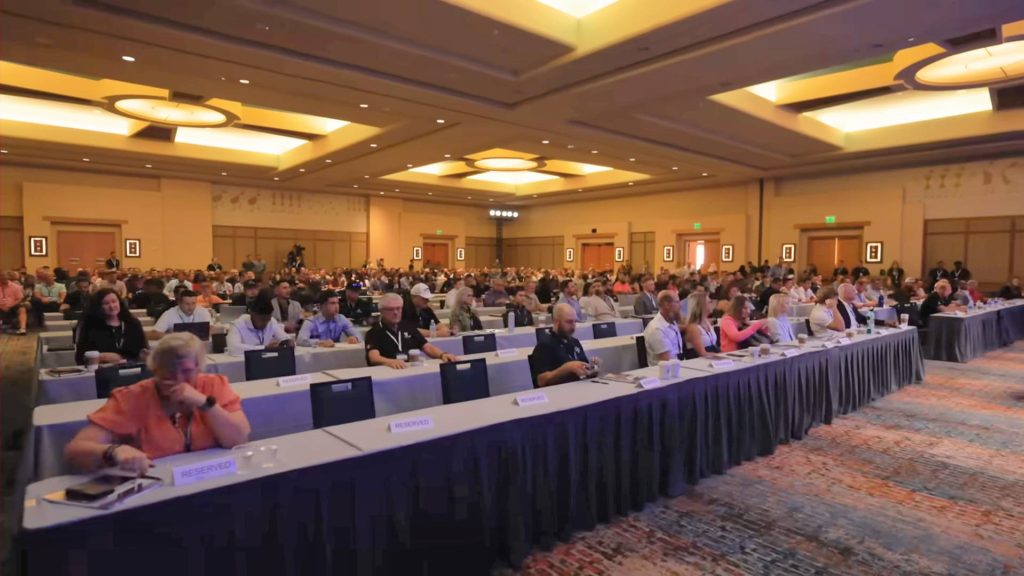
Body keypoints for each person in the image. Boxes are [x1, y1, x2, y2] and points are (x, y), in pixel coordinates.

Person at [65, 333, 250, 473]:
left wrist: (204, 403)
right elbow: (74, 452)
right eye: (169, 370)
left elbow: (238, 439)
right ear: (154, 368)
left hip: (212, 480)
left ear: (199, 367)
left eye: (186, 371)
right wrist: (113, 451)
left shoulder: (214, 385)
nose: (178, 379)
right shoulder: (132, 398)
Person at [364, 293, 456, 369]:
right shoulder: (374, 332)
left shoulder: (409, 327)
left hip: (408, 369)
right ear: (381, 311)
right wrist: (390, 362)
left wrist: (442, 354)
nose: (395, 312)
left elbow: (427, 347)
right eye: (390, 309)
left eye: (398, 308)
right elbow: (374, 357)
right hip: (387, 371)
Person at [74, 288, 148, 365]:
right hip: (101, 371)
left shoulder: (132, 324)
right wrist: (101, 357)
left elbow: (142, 350)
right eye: (106, 303)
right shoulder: (90, 326)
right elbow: (80, 358)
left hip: (131, 369)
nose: (112, 306)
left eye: (114, 301)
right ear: (98, 306)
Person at [531, 303, 598, 387]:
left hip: (578, 387)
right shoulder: (544, 346)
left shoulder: (575, 342)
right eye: (569, 322)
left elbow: (584, 368)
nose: (573, 326)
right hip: (558, 392)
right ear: (556, 322)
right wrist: (566, 368)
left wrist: (592, 368)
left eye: (574, 321)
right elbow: (541, 380)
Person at [225, 290, 292, 352]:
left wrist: (287, 341)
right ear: (252, 314)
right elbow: (233, 348)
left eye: (267, 319)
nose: (265, 323)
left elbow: (284, 337)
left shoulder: (271, 321)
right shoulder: (238, 325)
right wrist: (264, 348)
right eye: (263, 320)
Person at [297, 290, 361, 347]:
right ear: (322, 306)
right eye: (332, 303)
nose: (336, 307)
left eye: (337, 303)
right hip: (316, 357)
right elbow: (300, 340)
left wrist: (355, 338)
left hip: (335, 355)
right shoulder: (311, 321)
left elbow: (358, 335)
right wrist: (319, 342)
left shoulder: (341, 319)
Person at [643, 290, 684, 365]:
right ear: (667, 304)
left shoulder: (671, 321)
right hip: (666, 372)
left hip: (677, 366)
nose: (680, 306)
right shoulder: (656, 329)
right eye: (677, 302)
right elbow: (667, 360)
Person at [682, 292, 719, 358]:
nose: (712, 304)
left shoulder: (707, 322)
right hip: (700, 362)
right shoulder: (693, 328)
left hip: (713, 358)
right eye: (709, 302)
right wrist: (722, 356)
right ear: (702, 305)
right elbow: (702, 354)